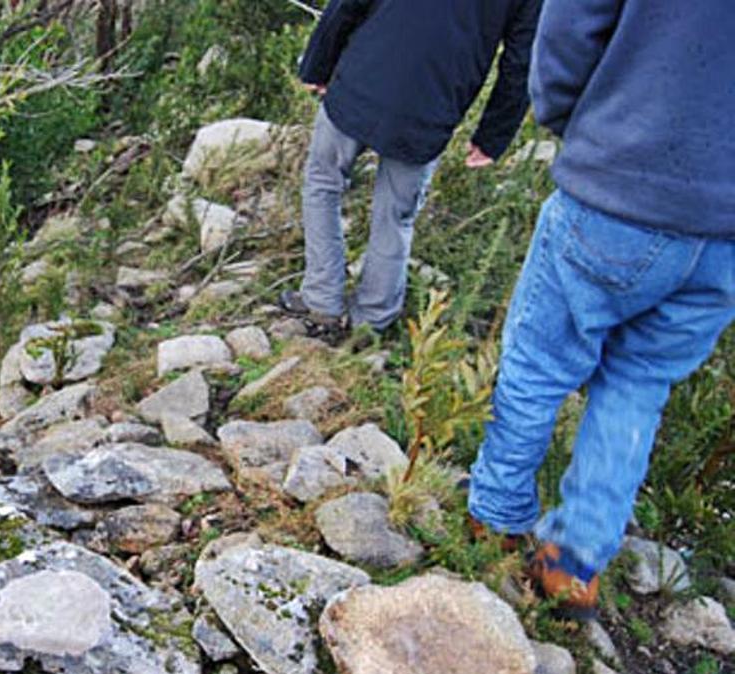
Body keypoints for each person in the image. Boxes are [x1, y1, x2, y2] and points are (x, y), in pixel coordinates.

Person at [469, 0, 735, 618]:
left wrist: (580, 126)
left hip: (619, 183)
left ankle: (496, 515)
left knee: (539, 363)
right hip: (724, 234)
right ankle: (574, 563)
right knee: (639, 385)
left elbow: (567, 32)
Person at [282, 0, 541, 334]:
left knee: (323, 183)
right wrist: (493, 135)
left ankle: (321, 301)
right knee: (396, 215)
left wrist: (318, 64)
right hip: (433, 106)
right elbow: (523, 59)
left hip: (364, 79)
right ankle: (370, 323)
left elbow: (348, 4)